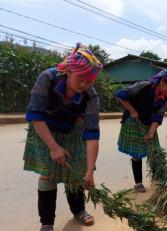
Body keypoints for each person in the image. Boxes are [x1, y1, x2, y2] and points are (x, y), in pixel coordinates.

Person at [23, 43, 103, 231]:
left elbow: (92, 133)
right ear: (68, 71)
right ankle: (47, 222)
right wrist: (53, 147)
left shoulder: (91, 96)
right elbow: (35, 114)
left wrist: (89, 171)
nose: (84, 85)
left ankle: (79, 211)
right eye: (80, 80)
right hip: (45, 130)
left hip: (73, 130)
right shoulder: (47, 78)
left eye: (89, 81)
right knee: (47, 175)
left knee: (76, 174)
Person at [115, 70, 167, 193]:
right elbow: (121, 95)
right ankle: (138, 183)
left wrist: (151, 132)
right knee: (137, 153)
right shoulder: (144, 86)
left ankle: (159, 179)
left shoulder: (164, 97)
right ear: (162, 81)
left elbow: (158, 116)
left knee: (154, 151)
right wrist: (132, 110)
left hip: (149, 123)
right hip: (133, 121)